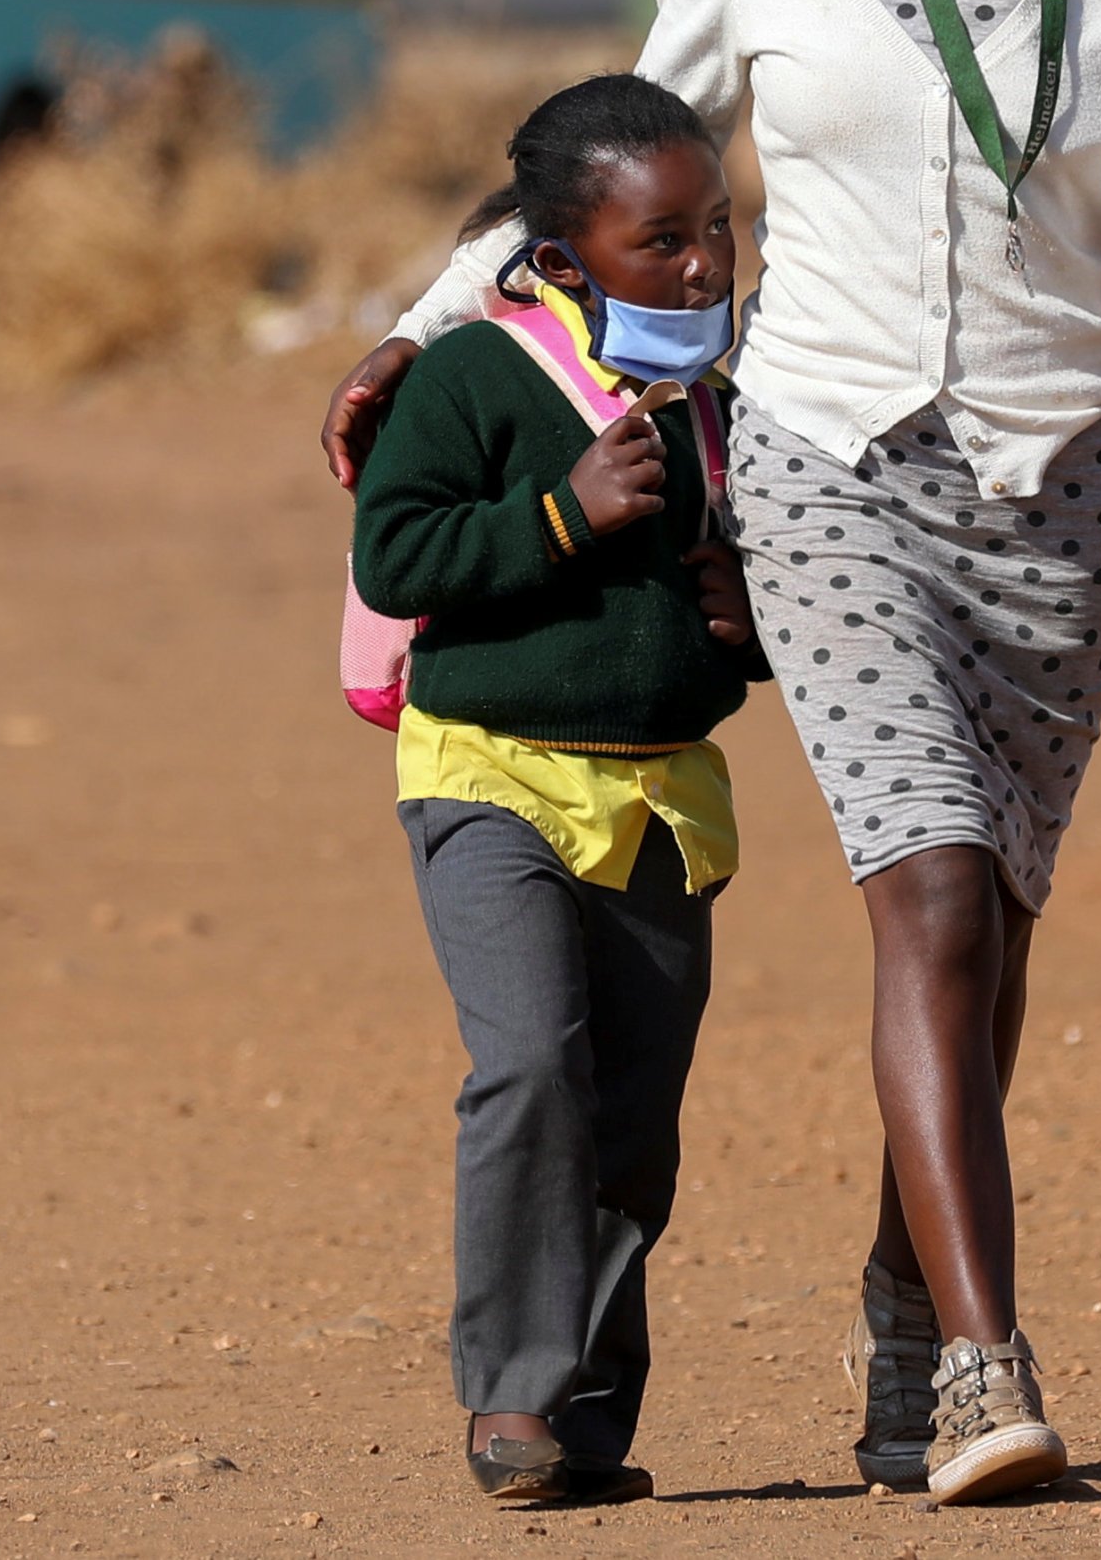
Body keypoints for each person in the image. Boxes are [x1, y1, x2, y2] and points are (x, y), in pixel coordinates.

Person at [325, 0, 1101, 1506]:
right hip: (825, 454)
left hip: (1064, 481)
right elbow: (616, 147)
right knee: (916, 888)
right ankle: (993, 1363)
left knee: (988, 933)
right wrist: (420, 322)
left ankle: (907, 1324)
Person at [352, 73, 772, 1508]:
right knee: (531, 1063)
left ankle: (587, 1419)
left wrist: (745, 620)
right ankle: (512, 1400)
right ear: (560, 249)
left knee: (633, 1115)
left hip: (661, 801)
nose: (704, 262)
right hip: (489, 780)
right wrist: (558, 515)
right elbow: (394, 558)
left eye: (715, 227)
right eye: (663, 241)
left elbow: (746, 611)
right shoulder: (473, 378)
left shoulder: (722, 399)